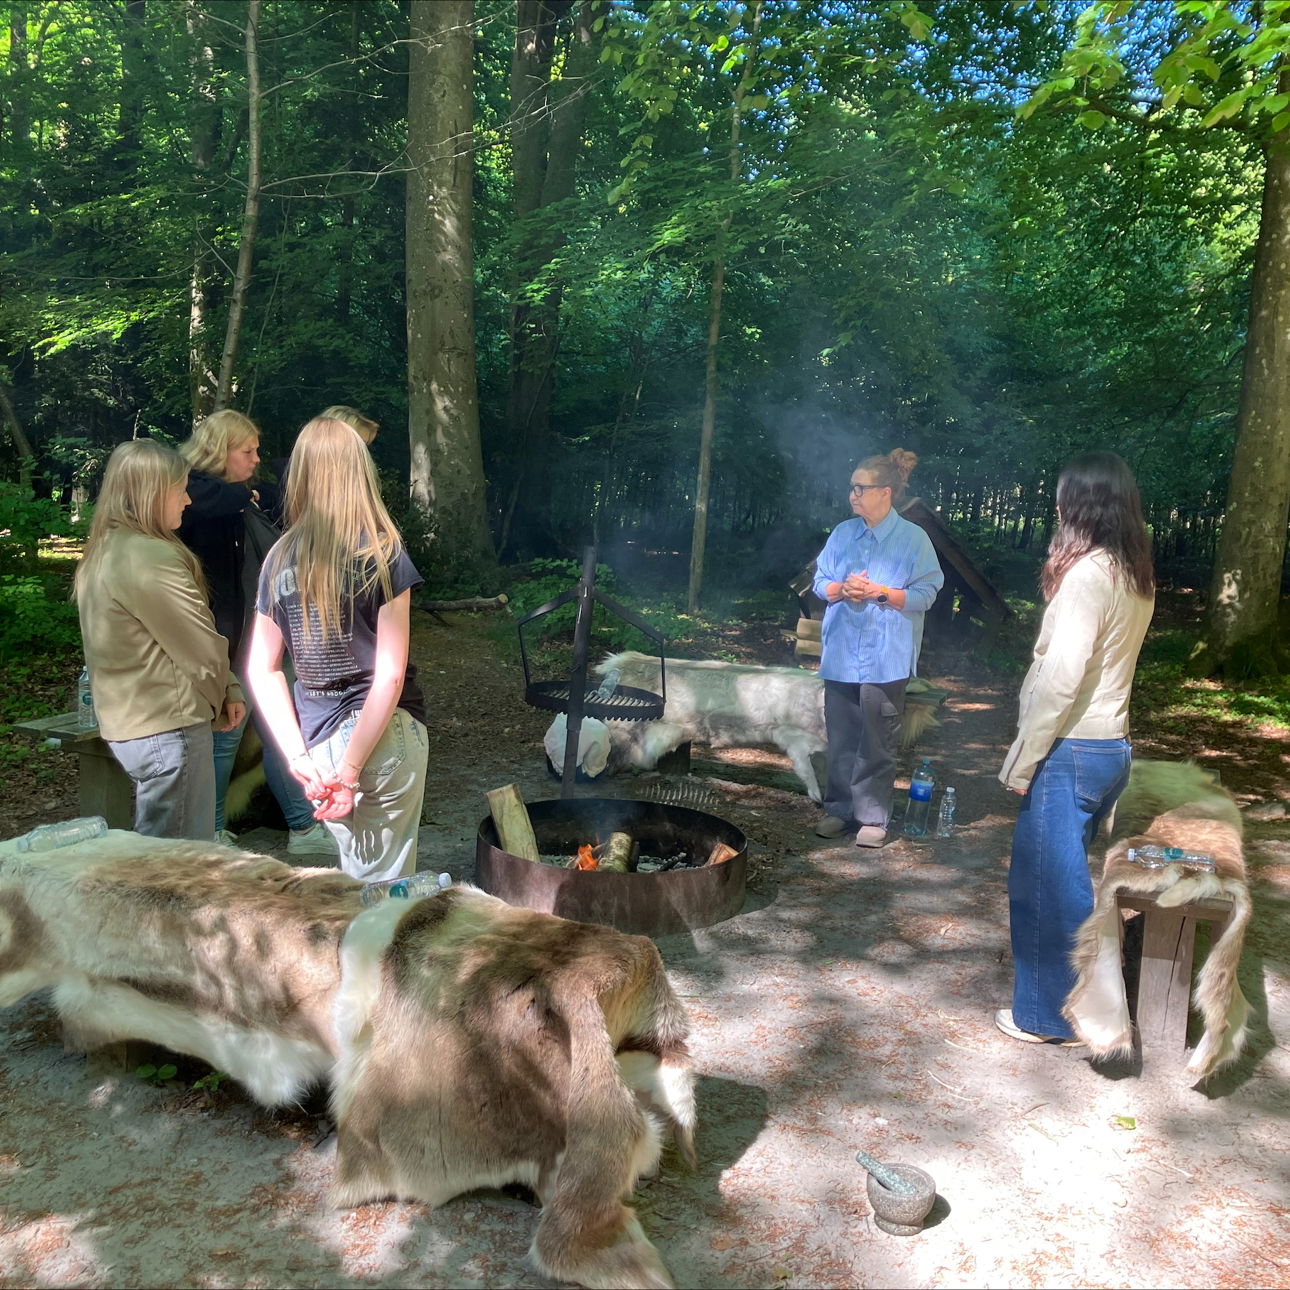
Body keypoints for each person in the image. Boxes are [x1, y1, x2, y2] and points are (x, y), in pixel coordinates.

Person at [996, 450, 1155, 1045]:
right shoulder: (1131, 571)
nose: (1056, 507)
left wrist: (1024, 758)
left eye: (1062, 497)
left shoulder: (1090, 575)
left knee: (1046, 888)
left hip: (1072, 749)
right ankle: (1078, 1002)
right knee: (1064, 881)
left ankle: (1047, 1017)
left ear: (1080, 505)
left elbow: (1062, 678)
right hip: (1108, 747)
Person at [246, 416, 429, 882]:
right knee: (384, 889)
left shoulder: (277, 559)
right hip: (385, 736)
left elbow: (262, 669)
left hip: (318, 741)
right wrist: (351, 772)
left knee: (355, 879)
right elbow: (390, 674)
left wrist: (297, 759)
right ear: (359, 472)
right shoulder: (383, 553)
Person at [178, 409, 336, 856]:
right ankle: (210, 833)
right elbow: (206, 497)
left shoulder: (238, 498)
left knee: (281, 732)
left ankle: (303, 827)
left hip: (262, 639)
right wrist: (240, 494)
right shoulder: (194, 496)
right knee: (226, 737)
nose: (256, 459)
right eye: (247, 451)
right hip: (226, 642)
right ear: (218, 452)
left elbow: (278, 496)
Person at [74, 439, 244, 839]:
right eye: (180, 489)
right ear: (151, 493)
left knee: (160, 853)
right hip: (170, 727)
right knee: (182, 860)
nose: (188, 500)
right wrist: (223, 695)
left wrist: (229, 687)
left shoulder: (104, 550)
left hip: (134, 725)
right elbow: (202, 649)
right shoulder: (150, 557)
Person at [812, 449, 944, 847]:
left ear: (885, 492)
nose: (852, 495)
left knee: (878, 740)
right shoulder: (842, 534)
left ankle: (872, 817)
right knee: (841, 739)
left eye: (861, 488)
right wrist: (842, 588)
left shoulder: (913, 539)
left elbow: (927, 592)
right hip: (841, 656)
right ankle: (839, 810)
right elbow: (820, 582)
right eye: (852, 487)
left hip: (886, 660)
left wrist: (880, 592)